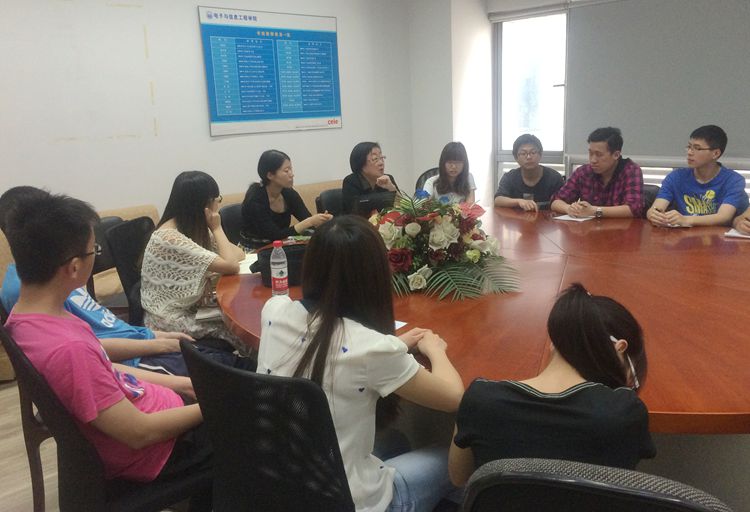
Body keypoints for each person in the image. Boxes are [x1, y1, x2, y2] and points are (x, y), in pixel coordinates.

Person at [3, 192, 212, 502]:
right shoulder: (68, 349)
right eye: (94, 251)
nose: (95, 256)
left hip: (156, 409)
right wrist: (215, 405)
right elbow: (140, 433)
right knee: (253, 426)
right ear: (74, 267)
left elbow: (105, 368)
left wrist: (183, 385)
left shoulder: (30, 319)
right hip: (158, 451)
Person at [257, 215, 465, 512]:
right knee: (455, 459)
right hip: (348, 503)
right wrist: (435, 350)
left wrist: (393, 345)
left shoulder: (274, 310)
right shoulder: (372, 350)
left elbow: (330, 345)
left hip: (283, 484)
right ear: (375, 275)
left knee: (396, 441)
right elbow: (453, 397)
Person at [0, 186, 252, 375]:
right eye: (94, 250)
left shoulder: (55, 280)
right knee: (239, 372)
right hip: (139, 359)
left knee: (238, 364)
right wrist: (157, 345)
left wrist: (155, 338)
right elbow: (91, 355)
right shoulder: (31, 294)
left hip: (141, 341)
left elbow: (97, 339)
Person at [448, 283, 655, 486]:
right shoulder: (625, 414)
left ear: (553, 344)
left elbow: (459, 478)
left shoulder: (481, 399)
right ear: (619, 348)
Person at [140, 171, 247, 353]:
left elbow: (238, 254)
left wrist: (213, 232)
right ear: (204, 204)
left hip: (189, 307)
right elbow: (232, 265)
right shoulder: (169, 238)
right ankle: (251, 368)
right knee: (237, 329)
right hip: (167, 320)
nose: (218, 205)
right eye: (217, 200)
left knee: (238, 314)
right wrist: (217, 228)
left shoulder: (190, 226)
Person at [646, 125, 749, 227]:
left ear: (716, 153)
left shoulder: (733, 180)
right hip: (683, 235)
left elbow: (723, 217)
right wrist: (654, 215)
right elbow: (655, 208)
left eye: (697, 148)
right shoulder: (676, 177)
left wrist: (686, 219)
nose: (689, 152)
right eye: (689, 147)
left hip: (717, 235)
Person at [241, 149, 332, 244]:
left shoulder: (288, 193)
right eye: (286, 171)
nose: (292, 174)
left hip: (281, 245)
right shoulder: (255, 199)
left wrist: (321, 222)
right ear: (270, 175)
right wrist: (310, 221)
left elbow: (306, 219)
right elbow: (274, 236)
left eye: (291, 169)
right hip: (254, 247)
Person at [551, 127, 644, 218]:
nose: (593, 160)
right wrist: (568, 208)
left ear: (616, 155)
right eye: (590, 153)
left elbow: (634, 209)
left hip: (621, 227)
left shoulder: (631, 171)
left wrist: (594, 211)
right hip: (589, 227)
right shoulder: (583, 172)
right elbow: (555, 201)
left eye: (599, 155)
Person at [494, 134, 564, 211]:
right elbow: (498, 200)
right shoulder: (509, 177)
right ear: (516, 158)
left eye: (533, 152)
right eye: (523, 153)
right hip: (516, 218)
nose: (528, 157)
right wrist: (518, 201)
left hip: (548, 218)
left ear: (540, 155)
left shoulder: (554, 178)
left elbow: (563, 202)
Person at [342, 142, 399, 215]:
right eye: (375, 159)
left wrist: (392, 188)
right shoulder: (351, 182)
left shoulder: (387, 179)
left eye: (381, 158)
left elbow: (403, 208)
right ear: (361, 163)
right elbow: (354, 213)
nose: (381, 163)